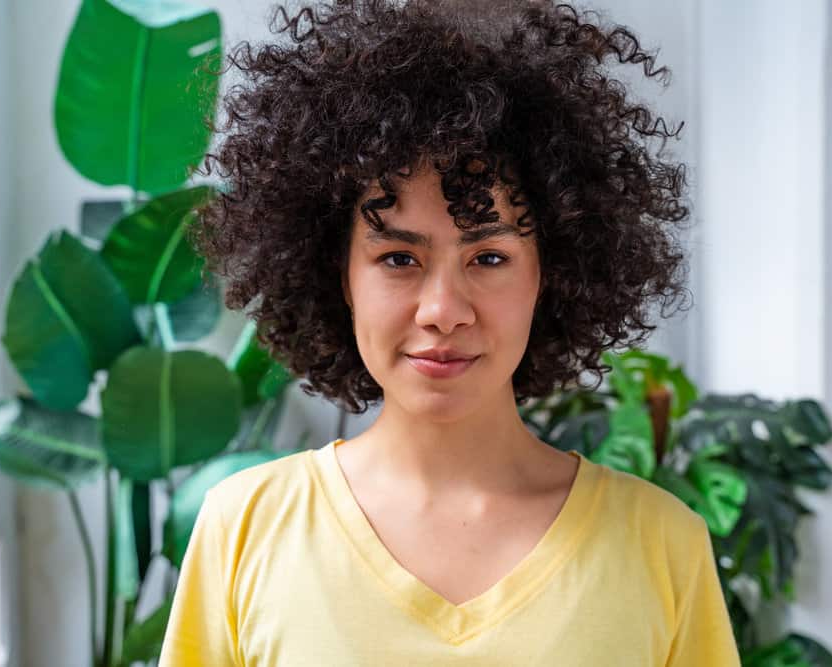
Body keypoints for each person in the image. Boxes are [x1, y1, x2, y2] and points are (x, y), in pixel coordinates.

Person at [158, 0, 741, 664]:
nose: (442, 309)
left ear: (551, 274)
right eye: (398, 258)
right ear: (338, 273)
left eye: (488, 258)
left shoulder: (662, 544)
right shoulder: (243, 529)